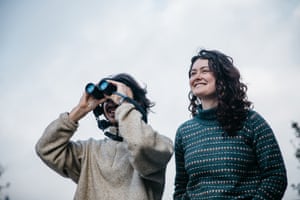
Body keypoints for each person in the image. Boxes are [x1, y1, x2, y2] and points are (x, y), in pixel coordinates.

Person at [36, 73, 173, 200]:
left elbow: (140, 145)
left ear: (137, 104)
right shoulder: (89, 151)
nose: (113, 102)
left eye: (117, 97)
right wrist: (80, 110)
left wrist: (125, 104)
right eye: (107, 99)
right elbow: (45, 148)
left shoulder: (160, 145)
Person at [173, 49, 288, 199]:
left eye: (204, 71)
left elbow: (275, 176)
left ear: (222, 77)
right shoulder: (184, 132)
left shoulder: (251, 121)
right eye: (193, 73)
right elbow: (181, 188)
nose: (197, 77)